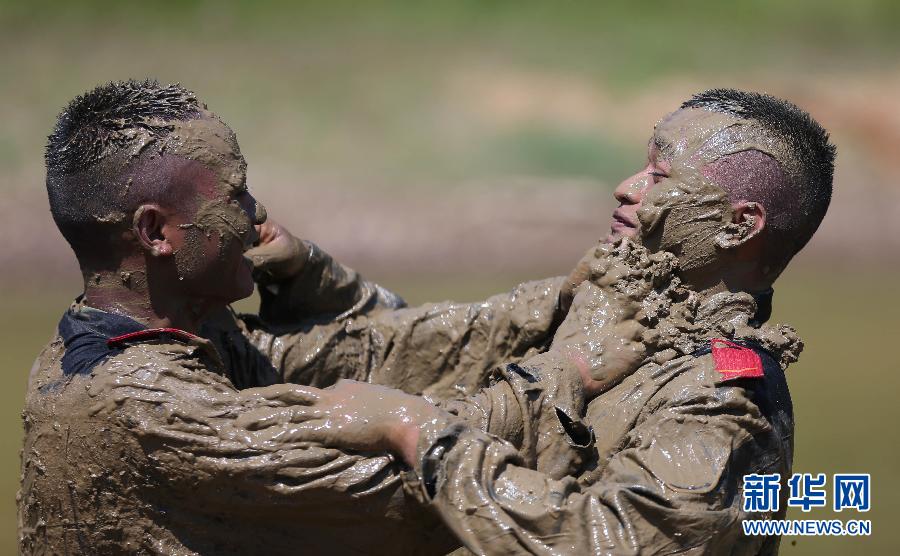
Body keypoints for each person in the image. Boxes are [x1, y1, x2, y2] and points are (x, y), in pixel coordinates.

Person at [17, 79, 612, 555]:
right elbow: (381, 498)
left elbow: (370, 354)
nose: (256, 213)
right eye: (235, 195)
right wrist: (562, 381)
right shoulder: (143, 404)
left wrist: (553, 302)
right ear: (155, 232)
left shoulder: (179, 340)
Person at [285, 89, 836, 555]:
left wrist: (420, 435)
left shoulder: (724, 398)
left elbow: (606, 538)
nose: (627, 186)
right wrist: (309, 275)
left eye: (659, 174)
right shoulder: (618, 311)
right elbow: (437, 345)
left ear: (737, 226)